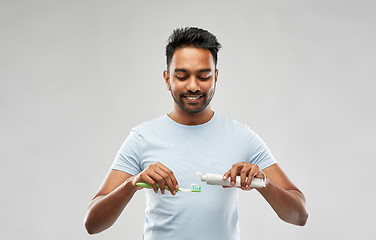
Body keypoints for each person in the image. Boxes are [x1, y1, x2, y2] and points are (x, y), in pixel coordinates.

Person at [84, 27, 309, 239]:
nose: (193, 86)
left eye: (203, 76)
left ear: (216, 77)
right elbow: (92, 223)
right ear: (167, 79)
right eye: (182, 76)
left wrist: (265, 184)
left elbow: (299, 215)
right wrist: (132, 183)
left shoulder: (242, 137)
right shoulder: (142, 137)